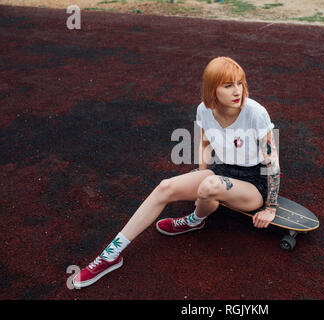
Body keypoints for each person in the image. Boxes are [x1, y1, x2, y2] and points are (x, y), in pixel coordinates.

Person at [73, 56, 281, 288]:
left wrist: (271, 208)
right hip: (223, 171)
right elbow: (204, 143)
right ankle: (110, 255)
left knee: (209, 187)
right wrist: (201, 176)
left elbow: (272, 162)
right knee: (165, 186)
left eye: (240, 83)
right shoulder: (204, 110)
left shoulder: (255, 112)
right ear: (212, 89)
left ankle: (195, 220)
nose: (238, 91)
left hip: (254, 182)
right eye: (228, 85)